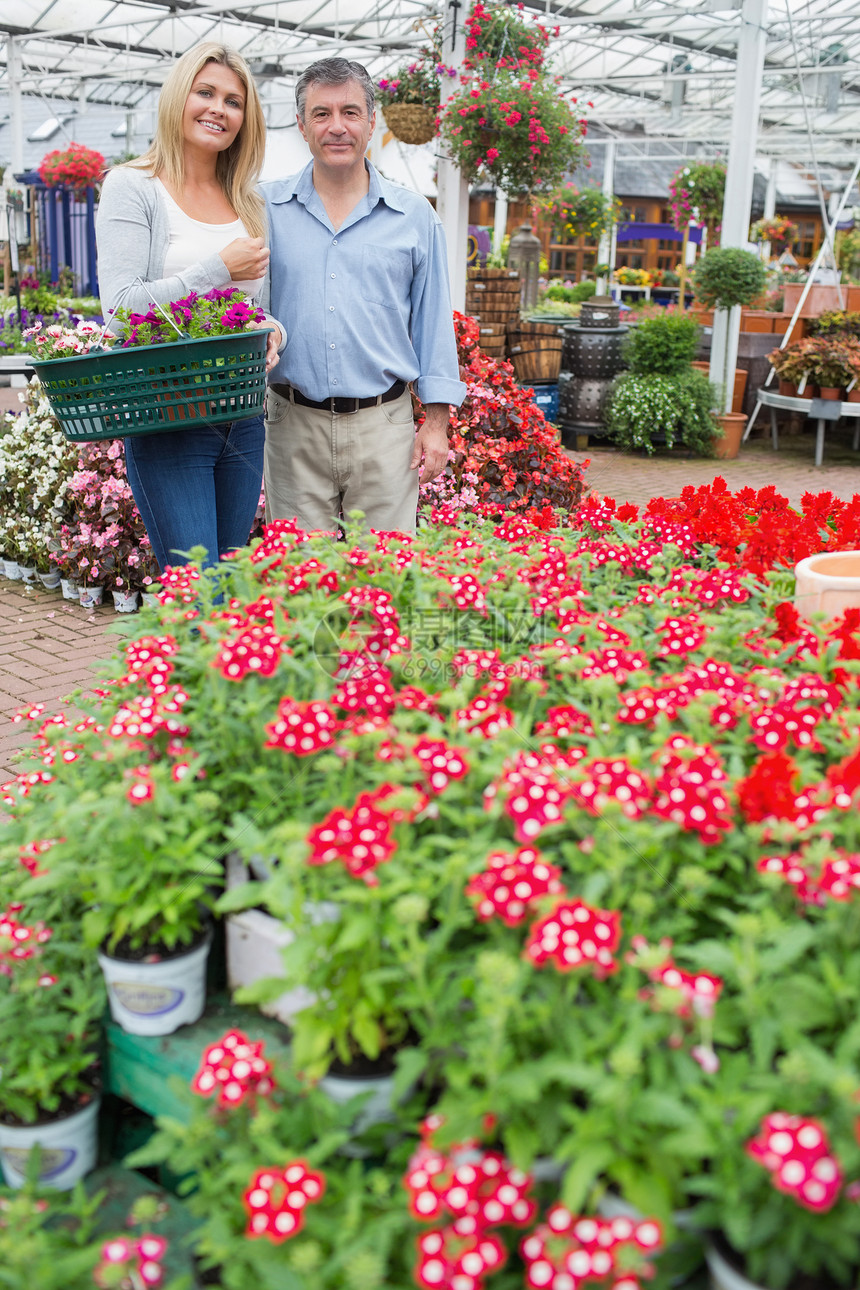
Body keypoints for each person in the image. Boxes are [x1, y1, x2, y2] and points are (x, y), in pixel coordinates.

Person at [96, 41, 284, 572]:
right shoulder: (133, 187)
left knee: (229, 593)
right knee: (198, 595)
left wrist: (273, 333)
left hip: (243, 417)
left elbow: (254, 311)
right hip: (169, 417)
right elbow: (121, 311)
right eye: (205, 92)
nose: (218, 109)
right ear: (179, 97)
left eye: (233, 100)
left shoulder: (250, 201)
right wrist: (217, 267)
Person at [262, 57, 465, 534]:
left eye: (351, 112)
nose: (337, 127)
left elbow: (433, 323)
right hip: (292, 426)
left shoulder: (414, 216)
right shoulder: (265, 209)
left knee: (386, 580)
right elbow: (245, 309)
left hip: (385, 428)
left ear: (372, 122)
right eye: (322, 113)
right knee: (298, 583)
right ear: (301, 124)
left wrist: (436, 423)